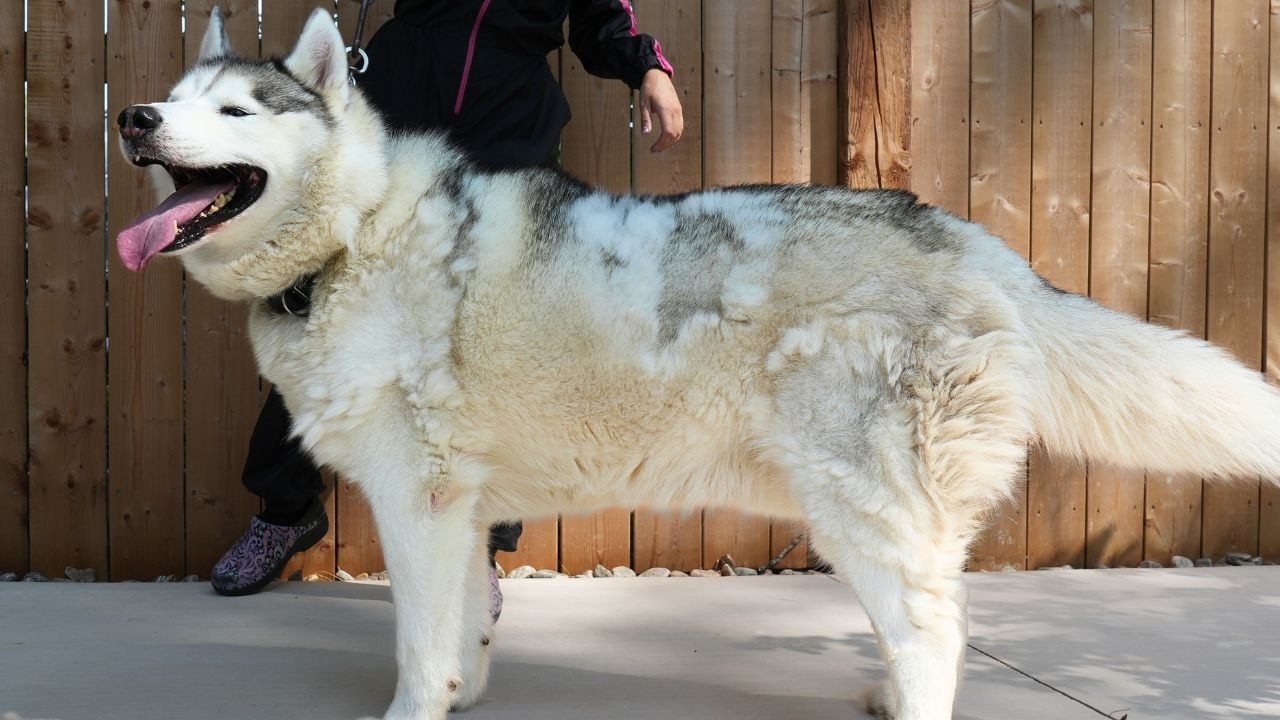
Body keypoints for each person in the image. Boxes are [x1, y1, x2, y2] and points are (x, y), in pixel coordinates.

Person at [210, 0, 684, 598]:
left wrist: (650, 69)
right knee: (326, 300)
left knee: (493, 334)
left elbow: (603, 25)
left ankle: (475, 546)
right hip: (400, 88)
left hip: (509, 114)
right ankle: (284, 508)